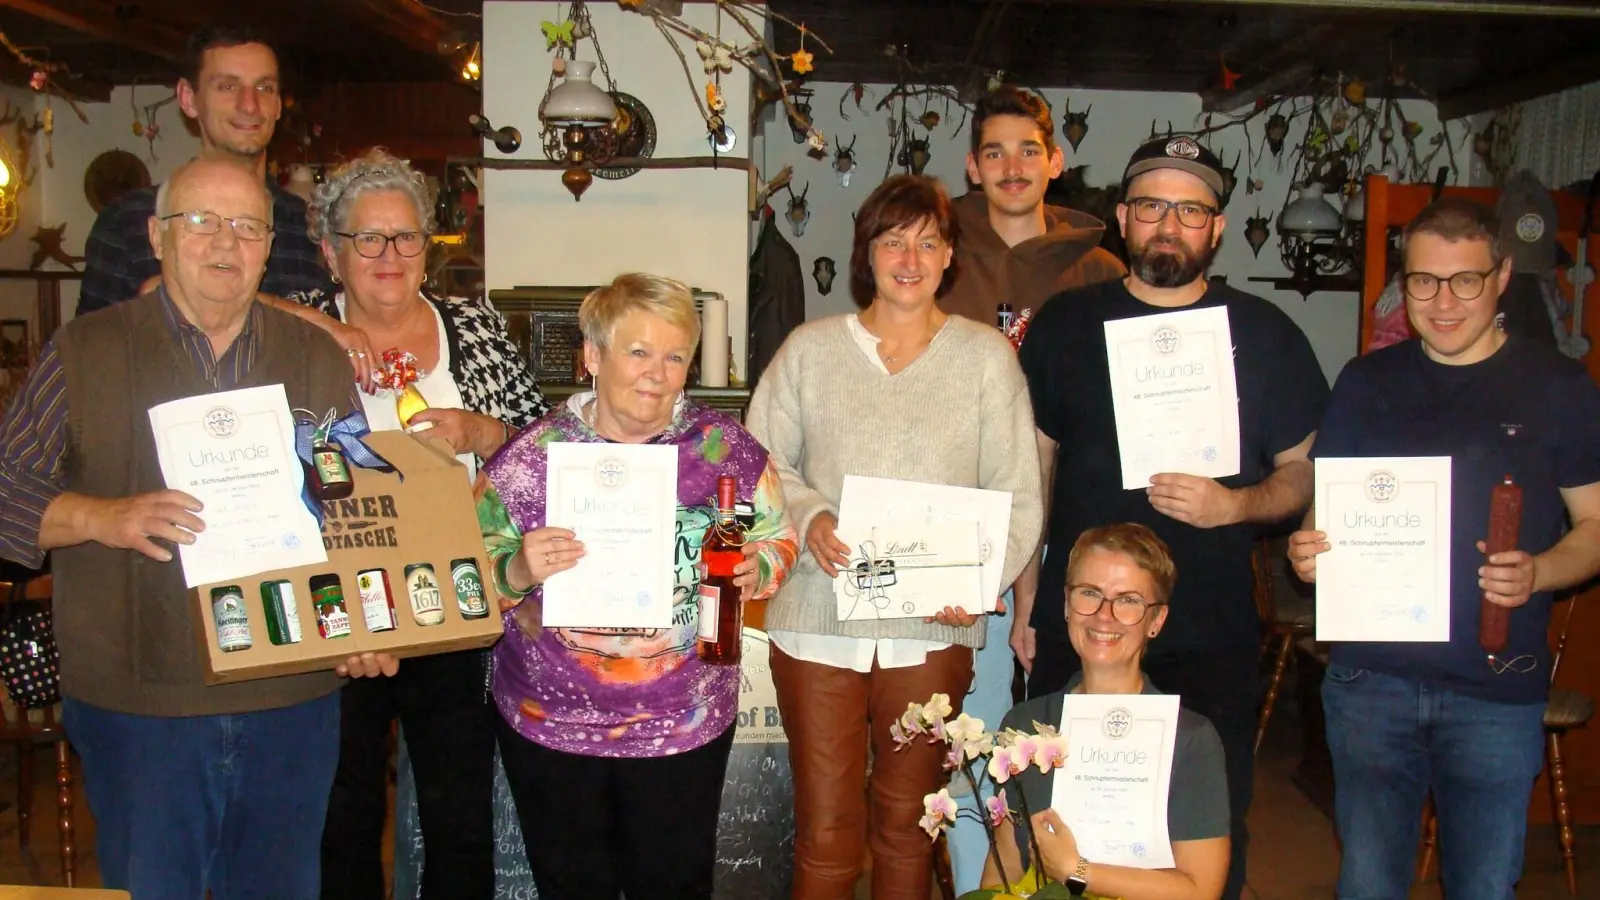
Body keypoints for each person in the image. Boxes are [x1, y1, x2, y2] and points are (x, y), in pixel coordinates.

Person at [0, 156, 397, 898]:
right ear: (157, 235)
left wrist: (366, 625)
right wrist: (101, 516)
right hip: (140, 705)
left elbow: (352, 509)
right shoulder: (84, 352)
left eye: (247, 227)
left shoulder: (314, 356)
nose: (225, 244)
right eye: (201, 222)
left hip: (292, 696)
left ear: (269, 246)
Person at [1018, 135, 1329, 900]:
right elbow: (1034, 472)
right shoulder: (1064, 324)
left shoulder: (1267, 334)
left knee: (1211, 819)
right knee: (1061, 820)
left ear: (1216, 228)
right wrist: (1028, 600)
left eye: (1191, 210)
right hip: (1083, 623)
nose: (1170, 223)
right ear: (1123, 218)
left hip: (1209, 626)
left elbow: (1303, 471)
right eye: (1152, 205)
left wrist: (1238, 504)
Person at [1288, 198, 1600, 900]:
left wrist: (1543, 570)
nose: (1443, 300)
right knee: (1367, 884)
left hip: (1496, 687)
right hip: (1370, 683)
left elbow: (1596, 526)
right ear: (1405, 282)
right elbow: (1323, 509)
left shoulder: (1560, 389)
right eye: (1424, 281)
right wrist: (1309, 551)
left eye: (1465, 280)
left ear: (1502, 277)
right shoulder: (1366, 382)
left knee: (1484, 887)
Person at [745, 174, 1044, 900]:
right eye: (892, 240)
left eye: (928, 242)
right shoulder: (810, 351)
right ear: (867, 254)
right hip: (818, 624)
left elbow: (1018, 492)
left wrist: (978, 584)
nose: (909, 258)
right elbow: (760, 461)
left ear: (949, 259)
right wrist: (812, 513)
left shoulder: (985, 360)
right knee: (824, 830)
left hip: (929, 629)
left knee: (909, 828)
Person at [479, 273, 798, 900]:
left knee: (673, 885)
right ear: (593, 355)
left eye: (675, 355)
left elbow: (779, 539)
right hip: (555, 723)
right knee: (572, 887)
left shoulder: (724, 450)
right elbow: (469, 578)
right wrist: (514, 571)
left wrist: (753, 568)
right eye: (638, 352)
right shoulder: (531, 457)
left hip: (682, 721)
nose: (657, 372)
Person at [303, 148, 549, 900]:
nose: (389, 255)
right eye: (368, 239)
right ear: (331, 251)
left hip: (455, 596)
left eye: (407, 237)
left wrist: (482, 431)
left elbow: (542, 451)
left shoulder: (471, 327)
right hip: (339, 605)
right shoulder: (299, 329)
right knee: (343, 811)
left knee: (458, 812)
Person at [937, 85, 1127, 895]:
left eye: (1028, 150)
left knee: (1067, 714)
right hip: (964, 515)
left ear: (1055, 160)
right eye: (993, 152)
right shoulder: (932, 252)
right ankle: (984, 882)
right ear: (972, 166)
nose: (1012, 167)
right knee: (967, 724)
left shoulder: (1102, 268)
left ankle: (1070, 879)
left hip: (1069, 516)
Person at [76, 26, 379, 386]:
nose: (249, 105)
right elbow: (90, 357)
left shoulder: (309, 225)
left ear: (280, 104)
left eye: (264, 88)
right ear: (188, 98)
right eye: (227, 86)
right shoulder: (128, 222)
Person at [985, 523, 1230, 900]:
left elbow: (1201, 891)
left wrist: (1076, 871)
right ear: (1066, 605)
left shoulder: (1190, 740)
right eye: (1090, 594)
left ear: (1157, 620)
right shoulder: (1023, 728)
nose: (1104, 615)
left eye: (1128, 600)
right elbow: (1003, 866)